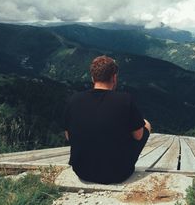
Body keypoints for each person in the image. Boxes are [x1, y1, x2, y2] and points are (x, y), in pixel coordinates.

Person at [64, 55, 151, 184]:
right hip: (118, 173)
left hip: (82, 171)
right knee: (146, 125)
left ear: (93, 77)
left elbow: (68, 136)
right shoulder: (125, 99)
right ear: (114, 77)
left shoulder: (74, 100)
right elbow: (138, 136)